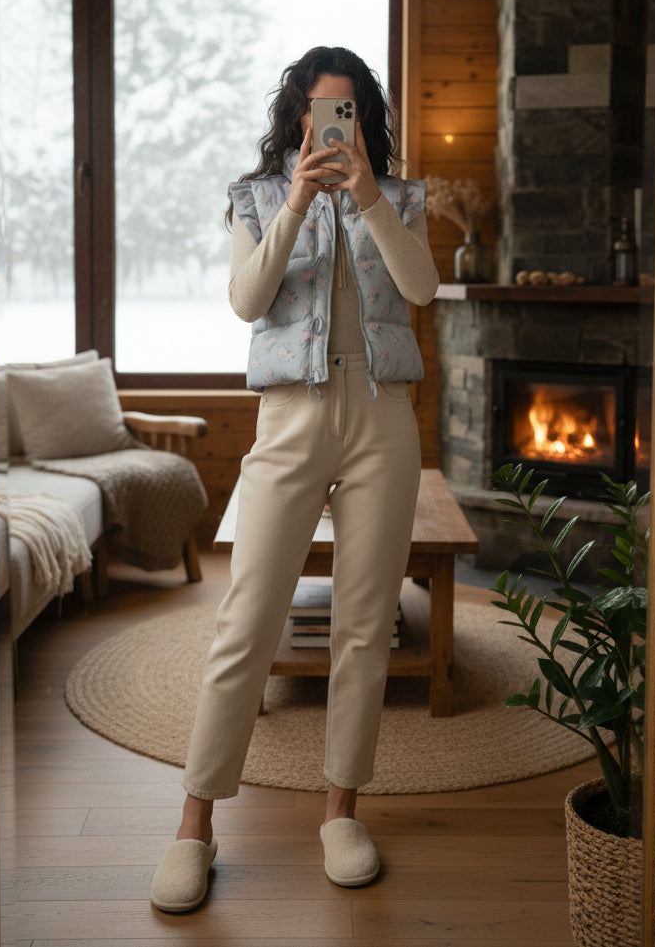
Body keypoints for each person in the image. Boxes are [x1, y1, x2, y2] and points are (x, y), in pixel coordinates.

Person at [150, 46, 439, 912]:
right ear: (297, 118)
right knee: (247, 619)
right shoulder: (259, 195)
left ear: (366, 121)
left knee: (364, 624)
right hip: (290, 417)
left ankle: (341, 810)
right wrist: (304, 199)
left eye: (348, 113)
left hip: (383, 416)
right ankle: (194, 825)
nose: (333, 128)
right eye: (320, 113)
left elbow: (421, 289)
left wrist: (369, 198)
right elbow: (248, 298)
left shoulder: (402, 197)